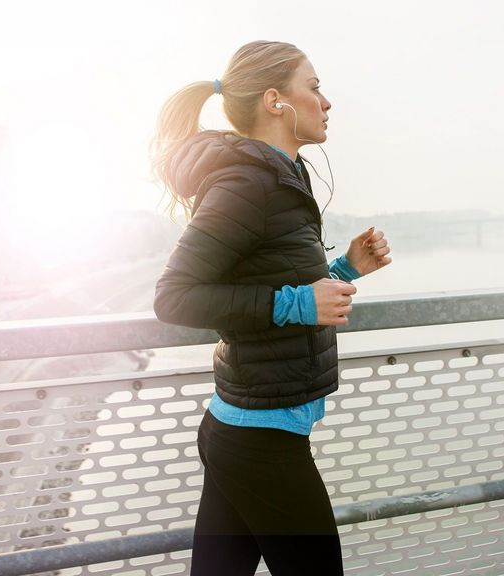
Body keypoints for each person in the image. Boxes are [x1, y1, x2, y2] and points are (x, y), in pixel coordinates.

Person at [150, 40, 392, 576]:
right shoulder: (248, 182)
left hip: (247, 429)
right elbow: (174, 296)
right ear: (275, 101)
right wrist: (298, 302)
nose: (326, 102)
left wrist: (345, 270)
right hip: (259, 438)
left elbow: (274, 288)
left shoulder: (283, 177)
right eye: (315, 87)